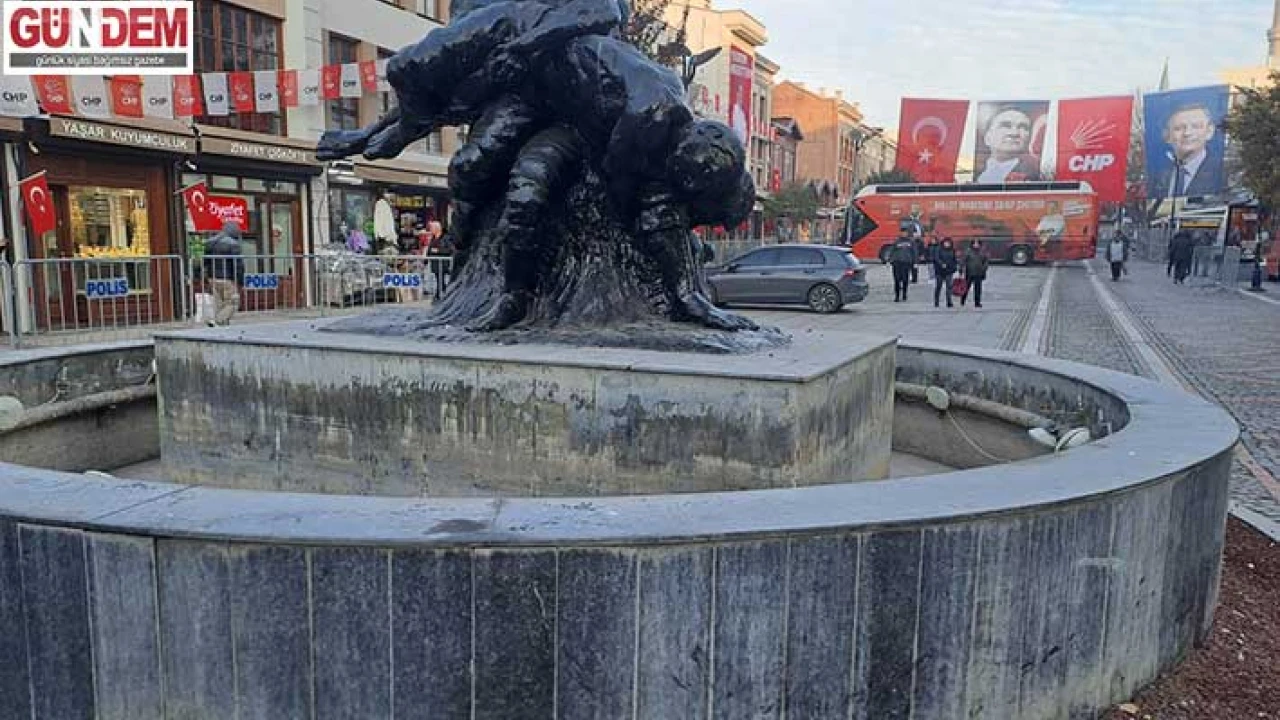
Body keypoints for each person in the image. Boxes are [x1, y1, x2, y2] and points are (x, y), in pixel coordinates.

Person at [1156, 104, 1223, 199]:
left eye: (1196, 126)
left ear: (1209, 131)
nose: (1187, 133)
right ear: (1166, 135)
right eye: (1178, 128)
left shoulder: (1222, 173)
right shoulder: (1158, 175)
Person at [976, 107, 1042, 183]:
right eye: (1005, 126)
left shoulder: (1034, 176)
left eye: (1023, 127)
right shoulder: (972, 171)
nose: (1014, 133)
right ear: (987, 138)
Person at [203, 221, 244, 326]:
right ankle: (218, 320)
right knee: (233, 302)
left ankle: (218, 322)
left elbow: (205, 262)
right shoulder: (234, 244)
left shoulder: (210, 242)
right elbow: (238, 265)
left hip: (212, 277)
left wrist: (203, 275)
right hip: (227, 278)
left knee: (219, 303)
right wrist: (240, 280)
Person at [889, 233, 917, 302]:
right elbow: (892, 251)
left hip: (906, 263)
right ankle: (897, 296)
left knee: (905, 280)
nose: (904, 234)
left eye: (905, 233)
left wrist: (915, 262)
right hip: (897, 263)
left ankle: (904, 294)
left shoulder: (911, 242)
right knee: (897, 280)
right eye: (902, 233)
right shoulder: (897, 241)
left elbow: (914, 252)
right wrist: (891, 260)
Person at [960, 240, 989, 308]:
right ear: (972, 244)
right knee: (966, 287)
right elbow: (963, 261)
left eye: (977, 244)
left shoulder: (982, 252)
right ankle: (963, 300)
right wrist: (961, 269)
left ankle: (977, 302)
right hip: (969, 273)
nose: (976, 245)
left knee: (978, 289)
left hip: (979, 273)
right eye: (974, 244)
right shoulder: (968, 251)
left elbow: (986, 261)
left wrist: (984, 268)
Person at [932, 237, 958, 308]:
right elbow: (936, 258)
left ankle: (949, 302)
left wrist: (955, 267)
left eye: (948, 243)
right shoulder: (938, 249)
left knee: (949, 287)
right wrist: (941, 264)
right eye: (946, 243)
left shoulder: (952, 250)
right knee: (938, 286)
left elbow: (954, 259)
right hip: (940, 271)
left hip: (949, 271)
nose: (947, 244)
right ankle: (936, 301)